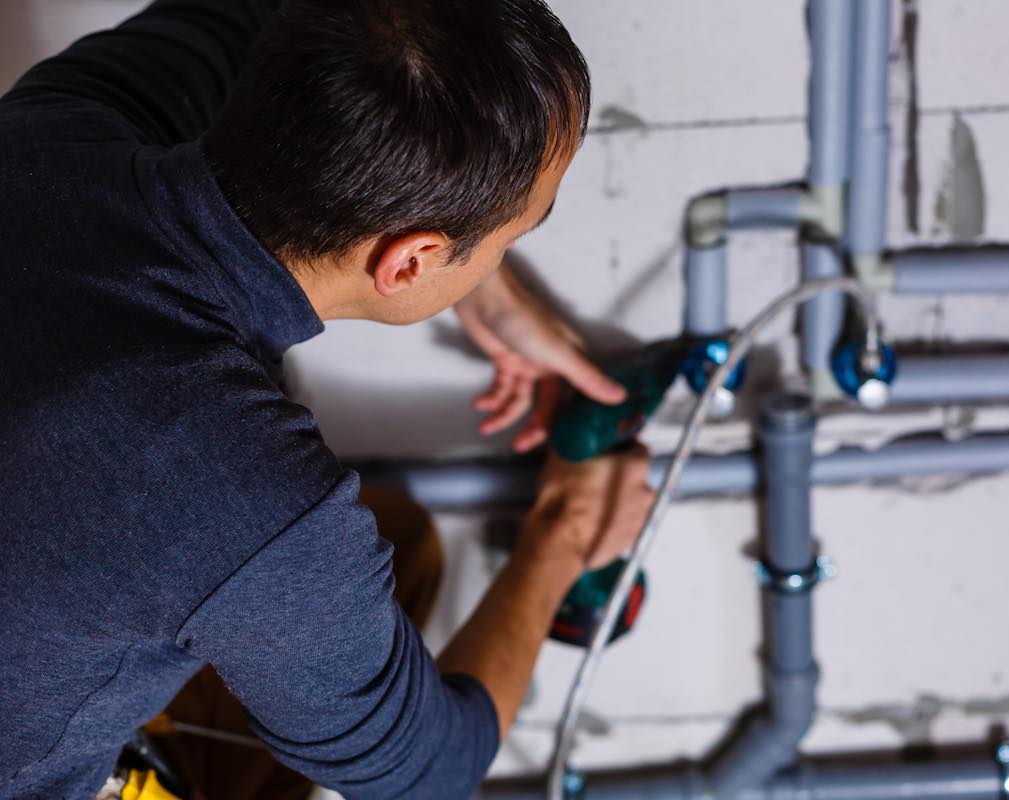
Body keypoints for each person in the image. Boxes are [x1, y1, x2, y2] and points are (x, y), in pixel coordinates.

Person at [0, 1, 655, 798]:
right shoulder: (248, 502)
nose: (505, 256)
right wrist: (564, 536)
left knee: (399, 544)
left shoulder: (55, 130)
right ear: (410, 261)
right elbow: (429, 766)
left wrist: (486, 290)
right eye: (513, 237)